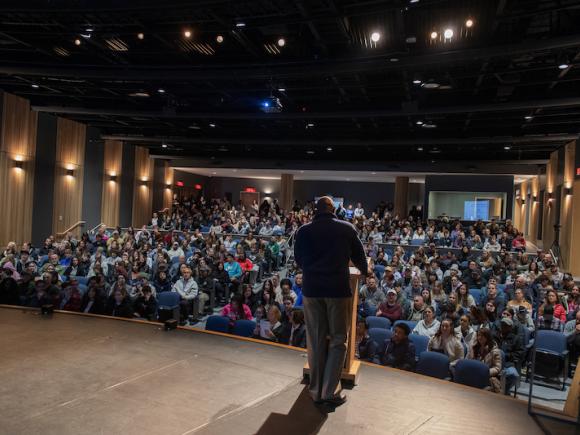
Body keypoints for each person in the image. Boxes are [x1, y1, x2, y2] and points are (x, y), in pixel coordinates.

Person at [294, 196, 367, 407]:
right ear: (333, 209)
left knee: (315, 340)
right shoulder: (346, 228)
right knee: (337, 341)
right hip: (337, 290)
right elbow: (360, 256)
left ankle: (315, 390)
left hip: (312, 290)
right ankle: (328, 391)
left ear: (315, 210)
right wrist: (364, 271)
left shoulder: (304, 230)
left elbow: (299, 260)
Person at [495, 317, 524, 395]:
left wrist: (507, 355)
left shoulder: (515, 339)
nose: (503, 326)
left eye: (506, 325)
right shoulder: (495, 336)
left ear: (510, 327)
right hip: (494, 362)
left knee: (513, 375)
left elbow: (519, 353)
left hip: (507, 363)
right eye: (502, 324)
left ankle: (504, 391)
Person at [468, 328, 503, 393]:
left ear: (487, 337)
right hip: (474, 374)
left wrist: (485, 372)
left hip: (487, 377)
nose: (479, 337)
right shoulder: (475, 348)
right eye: (478, 335)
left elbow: (497, 368)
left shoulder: (495, 351)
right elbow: (469, 361)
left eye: (482, 336)